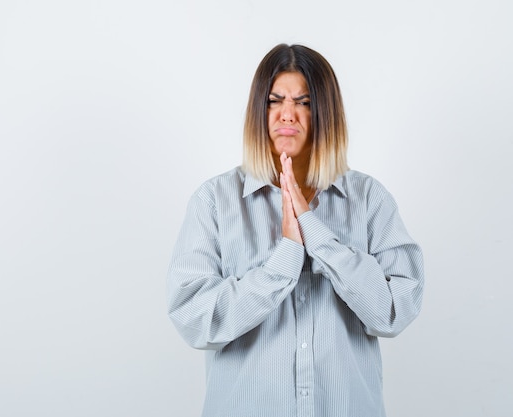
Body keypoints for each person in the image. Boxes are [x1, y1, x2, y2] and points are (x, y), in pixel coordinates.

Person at [166, 43, 424, 417]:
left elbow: (396, 311)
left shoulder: (370, 199)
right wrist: (285, 258)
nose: (288, 114)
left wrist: (316, 234)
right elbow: (194, 320)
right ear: (259, 110)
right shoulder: (214, 201)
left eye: (304, 102)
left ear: (326, 114)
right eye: (275, 100)